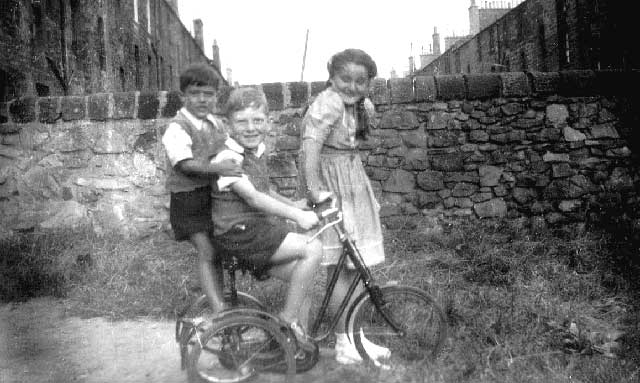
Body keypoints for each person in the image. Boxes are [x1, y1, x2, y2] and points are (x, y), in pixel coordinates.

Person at [210, 87, 322, 348]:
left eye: (258, 120)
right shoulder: (228, 157)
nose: (251, 128)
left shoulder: (255, 151)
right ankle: (286, 322)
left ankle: (294, 344)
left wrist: (293, 203)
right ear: (228, 125)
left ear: (267, 122)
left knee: (302, 278)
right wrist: (296, 215)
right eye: (242, 122)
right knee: (313, 248)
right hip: (239, 234)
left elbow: (266, 191)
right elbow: (254, 198)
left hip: (252, 232)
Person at [301, 48, 391, 365]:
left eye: (360, 81)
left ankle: (355, 335)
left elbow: (359, 140)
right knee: (339, 266)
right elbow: (309, 148)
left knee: (355, 263)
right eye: (345, 79)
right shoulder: (329, 102)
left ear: (369, 84)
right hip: (332, 187)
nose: (352, 86)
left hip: (351, 181)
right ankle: (342, 341)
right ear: (332, 78)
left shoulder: (354, 105)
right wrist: (315, 192)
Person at [161, 63, 242, 314]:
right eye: (195, 94)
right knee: (206, 251)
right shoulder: (177, 127)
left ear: (216, 96)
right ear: (183, 96)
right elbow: (185, 165)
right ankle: (218, 308)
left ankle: (222, 299)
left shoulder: (215, 124)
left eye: (208, 94)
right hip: (187, 201)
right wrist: (220, 169)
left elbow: (228, 149)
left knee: (217, 249)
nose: (202, 99)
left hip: (211, 198)